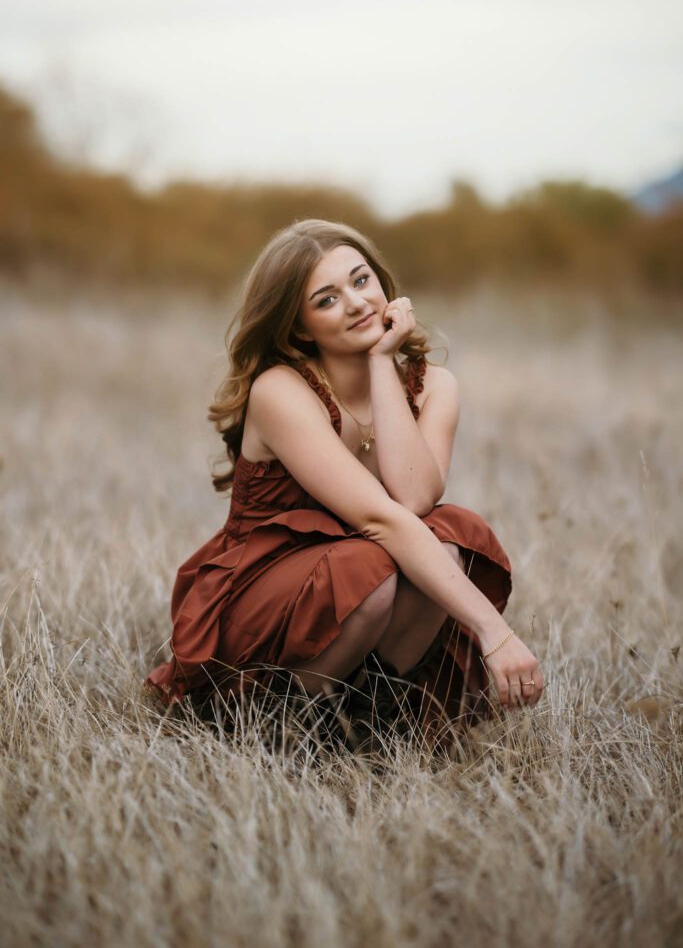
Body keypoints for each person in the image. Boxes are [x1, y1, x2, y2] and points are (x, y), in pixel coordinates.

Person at [145, 218, 543, 749]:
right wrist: (495, 633)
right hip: (264, 591)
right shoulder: (280, 390)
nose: (356, 303)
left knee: (450, 536)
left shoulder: (433, 386)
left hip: (355, 574)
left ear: (383, 284)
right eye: (326, 299)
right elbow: (379, 519)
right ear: (301, 327)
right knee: (370, 568)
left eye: (361, 281)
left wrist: (381, 363)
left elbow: (414, 497)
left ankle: (372, 725)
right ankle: (278, 723)